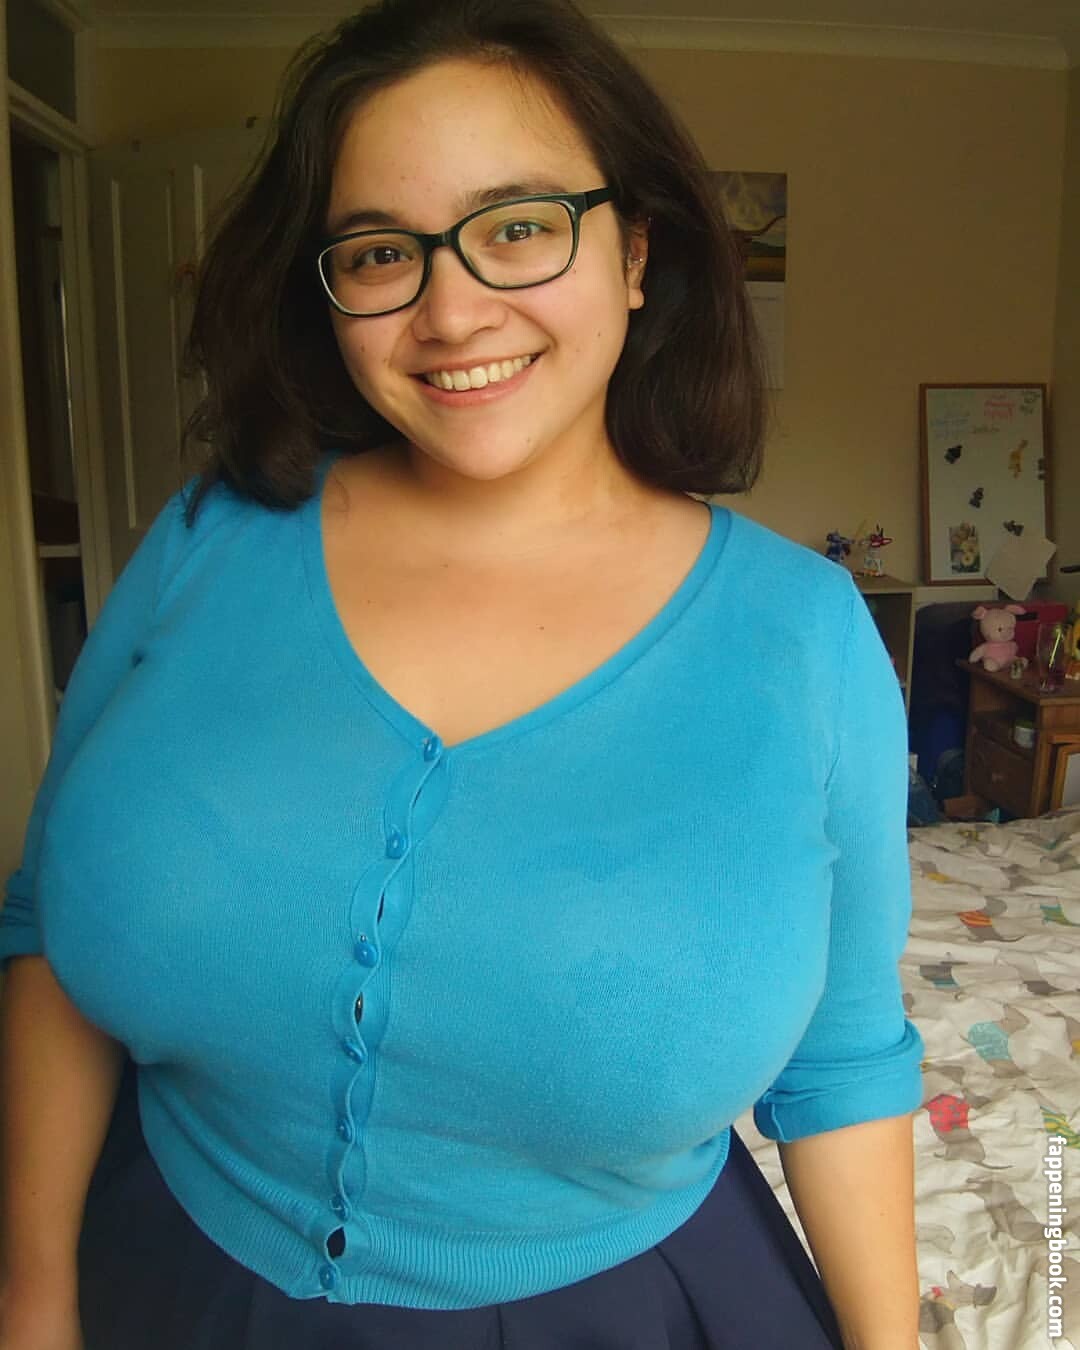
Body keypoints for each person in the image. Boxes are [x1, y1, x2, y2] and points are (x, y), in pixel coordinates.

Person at [0, 1, 925, 1346]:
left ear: (636, 252)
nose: (450, 310)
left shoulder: (806, 634)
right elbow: (46, 925)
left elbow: (842, 1061)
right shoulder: (210, 538)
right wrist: (32, 1294)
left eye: (518, 226)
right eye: (382, 251)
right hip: (166, 1270)